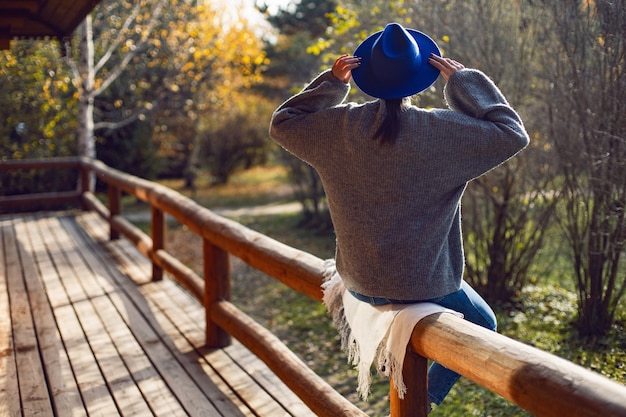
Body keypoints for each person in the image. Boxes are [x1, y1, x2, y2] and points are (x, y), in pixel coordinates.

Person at [269, 23, 529, 409]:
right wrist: (464, 82)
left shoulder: (338, 128)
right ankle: (422, 402)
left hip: (359, 278)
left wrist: (332, 83)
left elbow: (283, 122)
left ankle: (410, 397)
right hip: (422, 282)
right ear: (418, 79)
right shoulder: (443, 131)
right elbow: (512, 132)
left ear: (365, 75)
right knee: (484, 324)